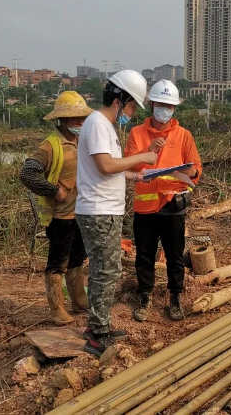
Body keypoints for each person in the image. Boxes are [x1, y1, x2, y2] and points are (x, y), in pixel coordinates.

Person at [75, 70, 158, 357]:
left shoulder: (105, 126)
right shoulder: (98, 123)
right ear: (119, 100)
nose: (132, 113)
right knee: (106, 271)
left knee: (105, 270)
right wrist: (144, 157)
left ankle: (99, 326)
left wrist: (135, 177)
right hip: (99, 212)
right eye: (132, 106)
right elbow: (106, 167)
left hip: (104, 210)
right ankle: (98, 334)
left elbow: (111, 170)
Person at [125, 79, 202, 322]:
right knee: (145, 255)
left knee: (175, 255)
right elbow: (128, 166)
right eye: (162, 104)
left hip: (173, 205)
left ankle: (175, 298)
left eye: (170, 105)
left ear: (174, 108)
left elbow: (196, 168)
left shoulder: (183, 135)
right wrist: (148, 151)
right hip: (146, 208)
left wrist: (191, 173)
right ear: (152, 104)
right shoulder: (137, 133)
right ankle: (145, 296)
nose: (166, 109)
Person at [19, 91, 93, 325]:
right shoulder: (50, 146)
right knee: (57, 262)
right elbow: (28, 173)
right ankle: (57, 308)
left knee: (78, 259)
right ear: (62, 120)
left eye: (83, 118)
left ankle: (79, 300)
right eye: (76, 119)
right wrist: (53, 190)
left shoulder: (81, 141)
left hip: (81, 212)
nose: (81, 123)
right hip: (60, 216)